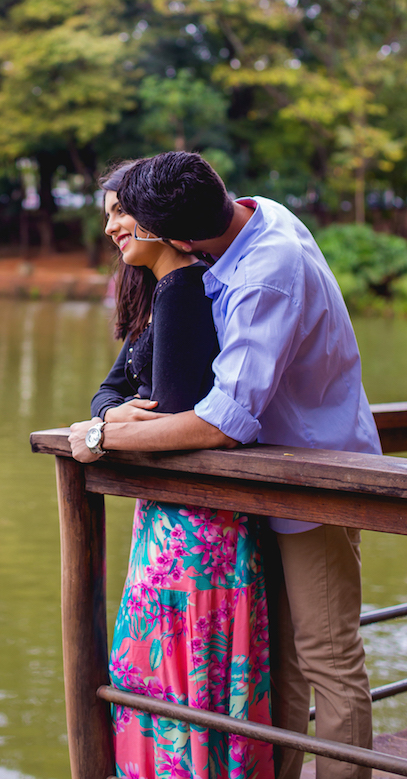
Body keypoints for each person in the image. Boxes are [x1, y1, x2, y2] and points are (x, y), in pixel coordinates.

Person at [107, 151, 382, 779]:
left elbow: (222, 423)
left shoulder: (266, 274)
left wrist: (104, 435)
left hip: (319, 479)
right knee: (276, 666)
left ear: (178, 239)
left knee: (327, 657)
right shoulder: (254, 214)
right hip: (266, 482)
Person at [69, 163, 274, 779]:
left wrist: (108, 433)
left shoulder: (184, 293)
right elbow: (110, 391)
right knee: (168, 674)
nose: (110, 228)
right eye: (106, 214)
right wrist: (113, 418)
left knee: (178, 675)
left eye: (119, 213)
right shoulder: (159, 292)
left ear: (158, 221)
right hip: (171, 523)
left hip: (193, 532)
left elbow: (183, 418)